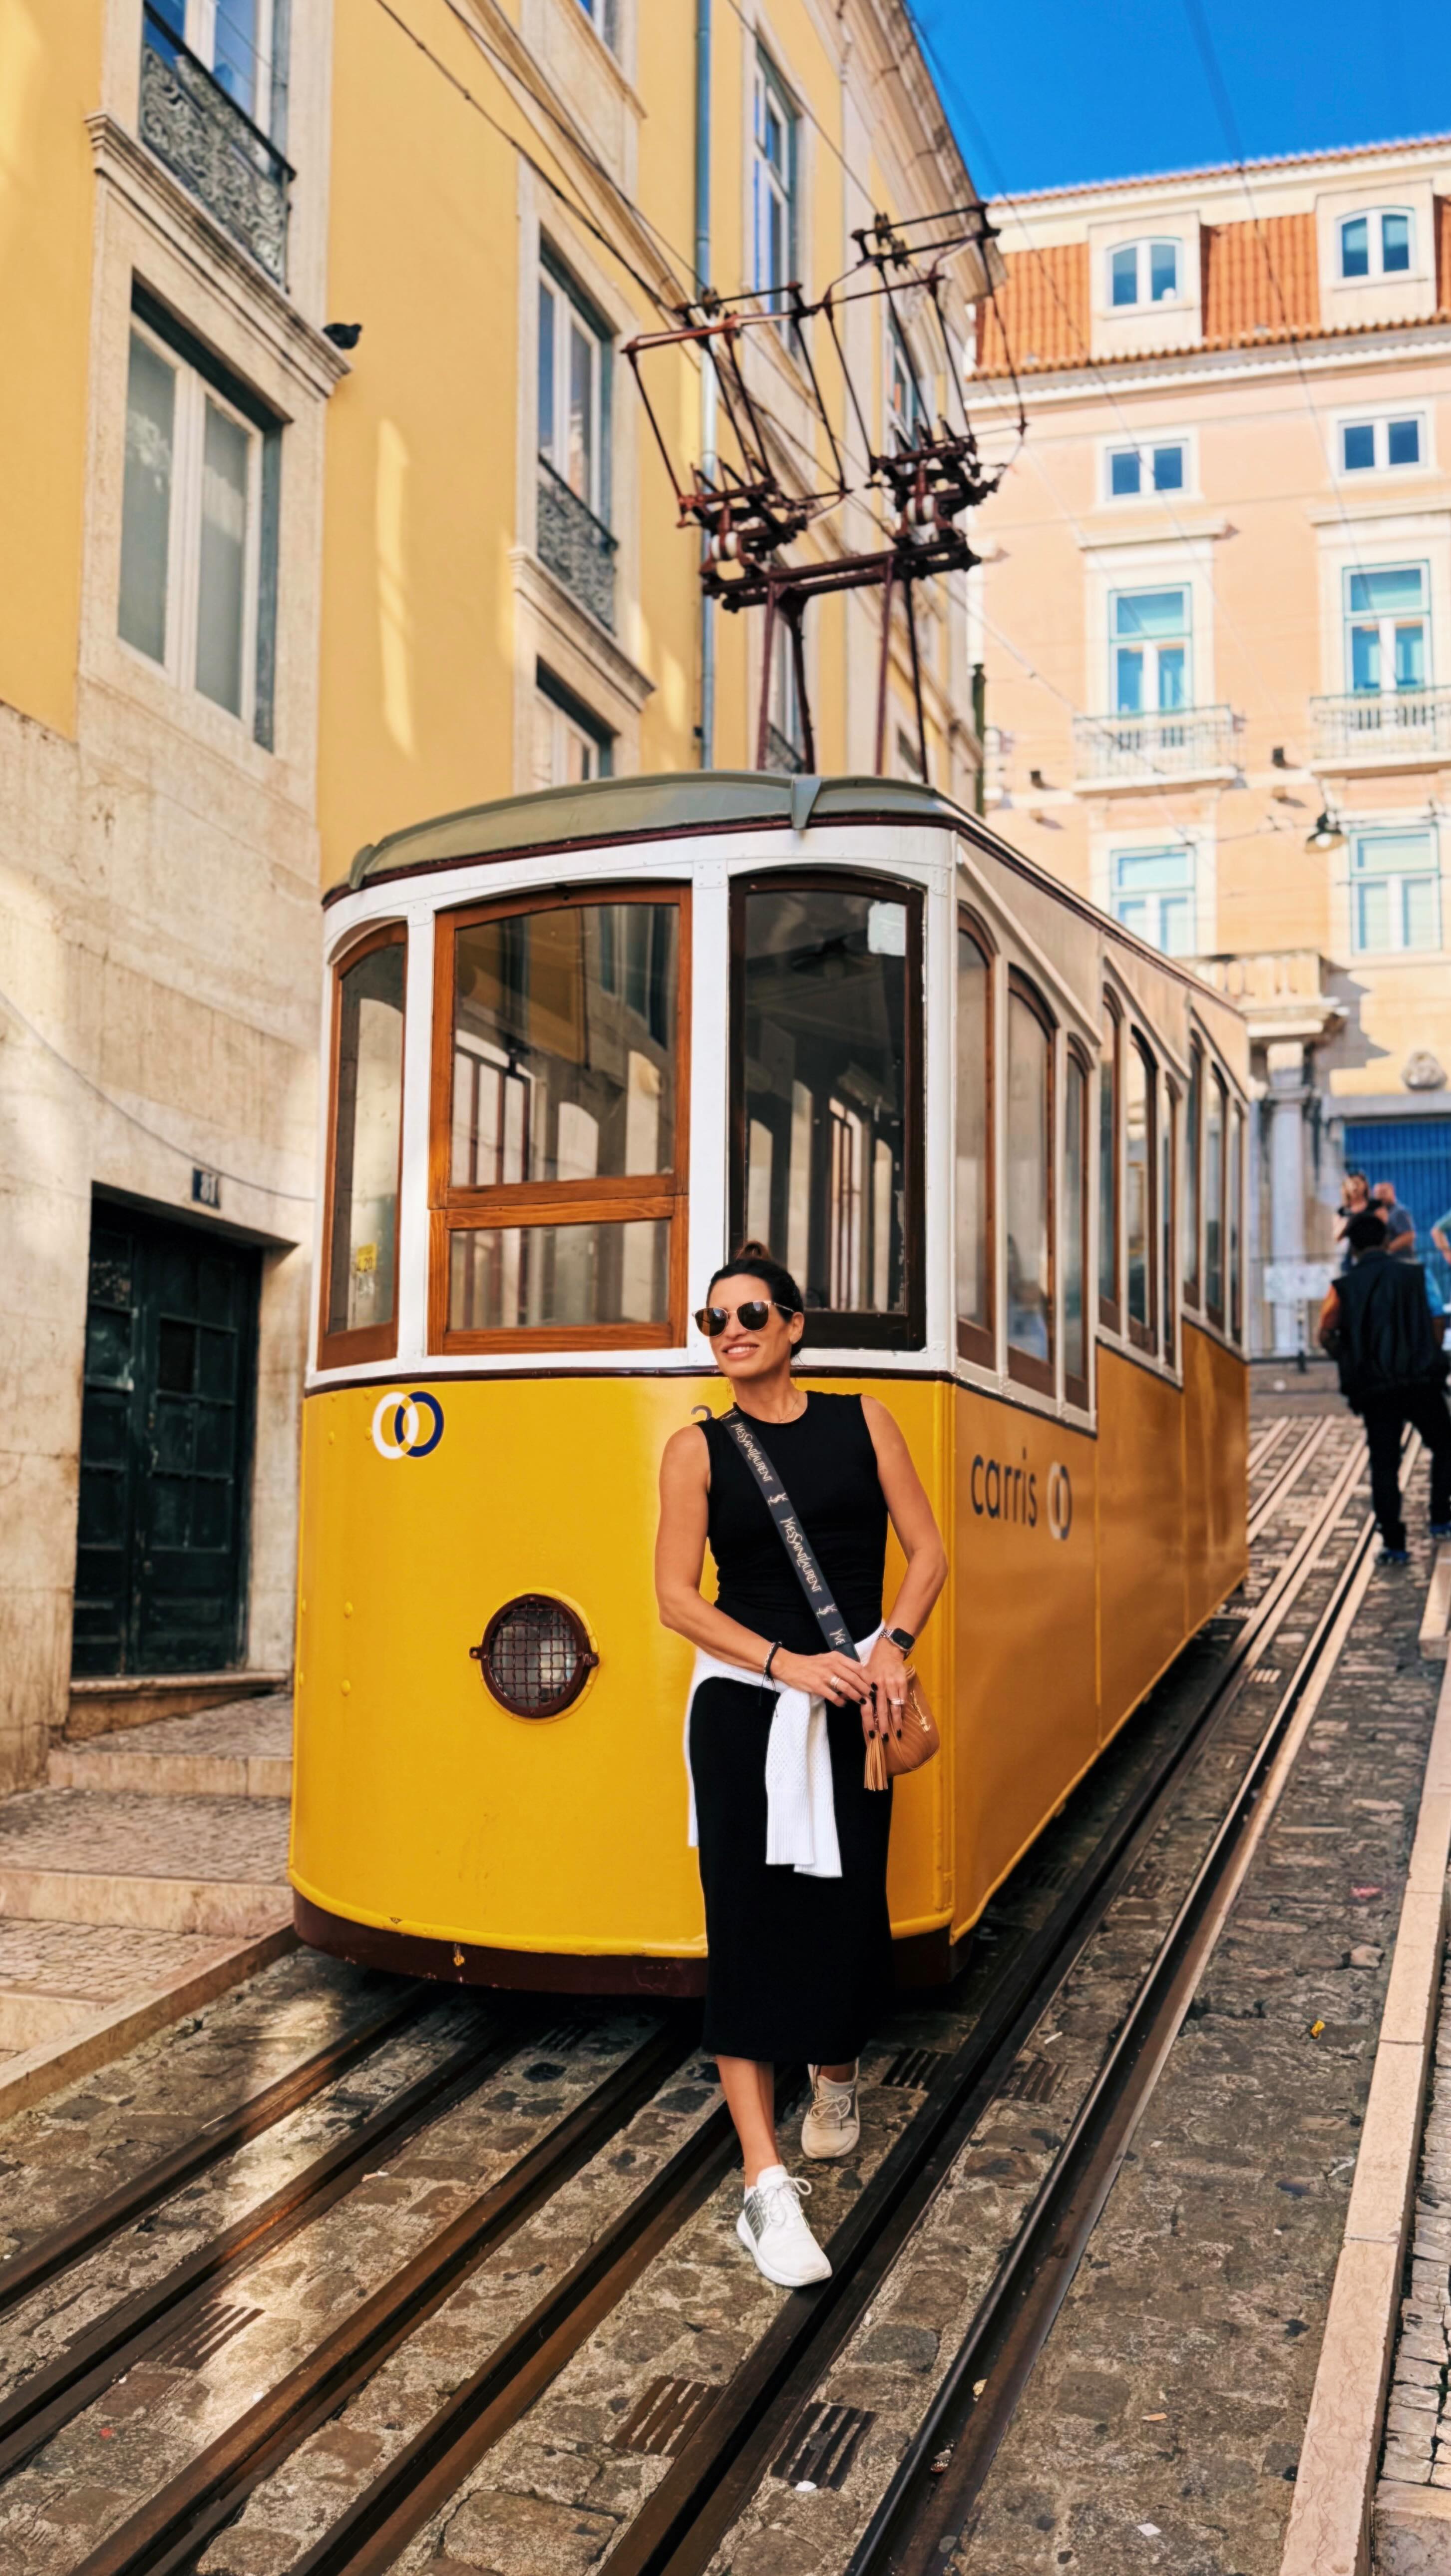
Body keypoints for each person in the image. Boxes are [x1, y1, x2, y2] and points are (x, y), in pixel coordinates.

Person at [655, 1242, 947, 2289]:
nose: (728, 1333)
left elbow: (928, 1553)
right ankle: (762, 2182)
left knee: (844, 1910)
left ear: (791, 1329)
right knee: (743, 1922)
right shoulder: (695, 1452)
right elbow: (677, 1600)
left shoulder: (862, 1422)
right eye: (713, 1320)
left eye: (748, 1316)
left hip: (855, 1705)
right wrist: (784, 1661)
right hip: (743, 1705)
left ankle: (833, 2068)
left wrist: (890, 1651)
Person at [1318, 1209, 1451, 1563]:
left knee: (1384, 1463)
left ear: (1354, 1247)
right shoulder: (1416, 1277)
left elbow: (1326, 1332)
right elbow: (1438, 1317)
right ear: (1386, 1241)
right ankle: (1441, 1516)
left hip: (1374, 1388)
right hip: (1420, 1381)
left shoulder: (1343, 1288)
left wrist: (1351, 1359)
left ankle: (1394, 1543)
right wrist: (1428, 1352)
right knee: (1446, 1444)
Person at [1372, 1178, 1417, 1260]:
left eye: (1383, 1193)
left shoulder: (1398, 1212)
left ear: (1392, 1192)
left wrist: (1386, 1250)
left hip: (1401, 1262)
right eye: (1377, 1193)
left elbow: (1408, 1236)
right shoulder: (1380, 1213)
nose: (1379, 1196)